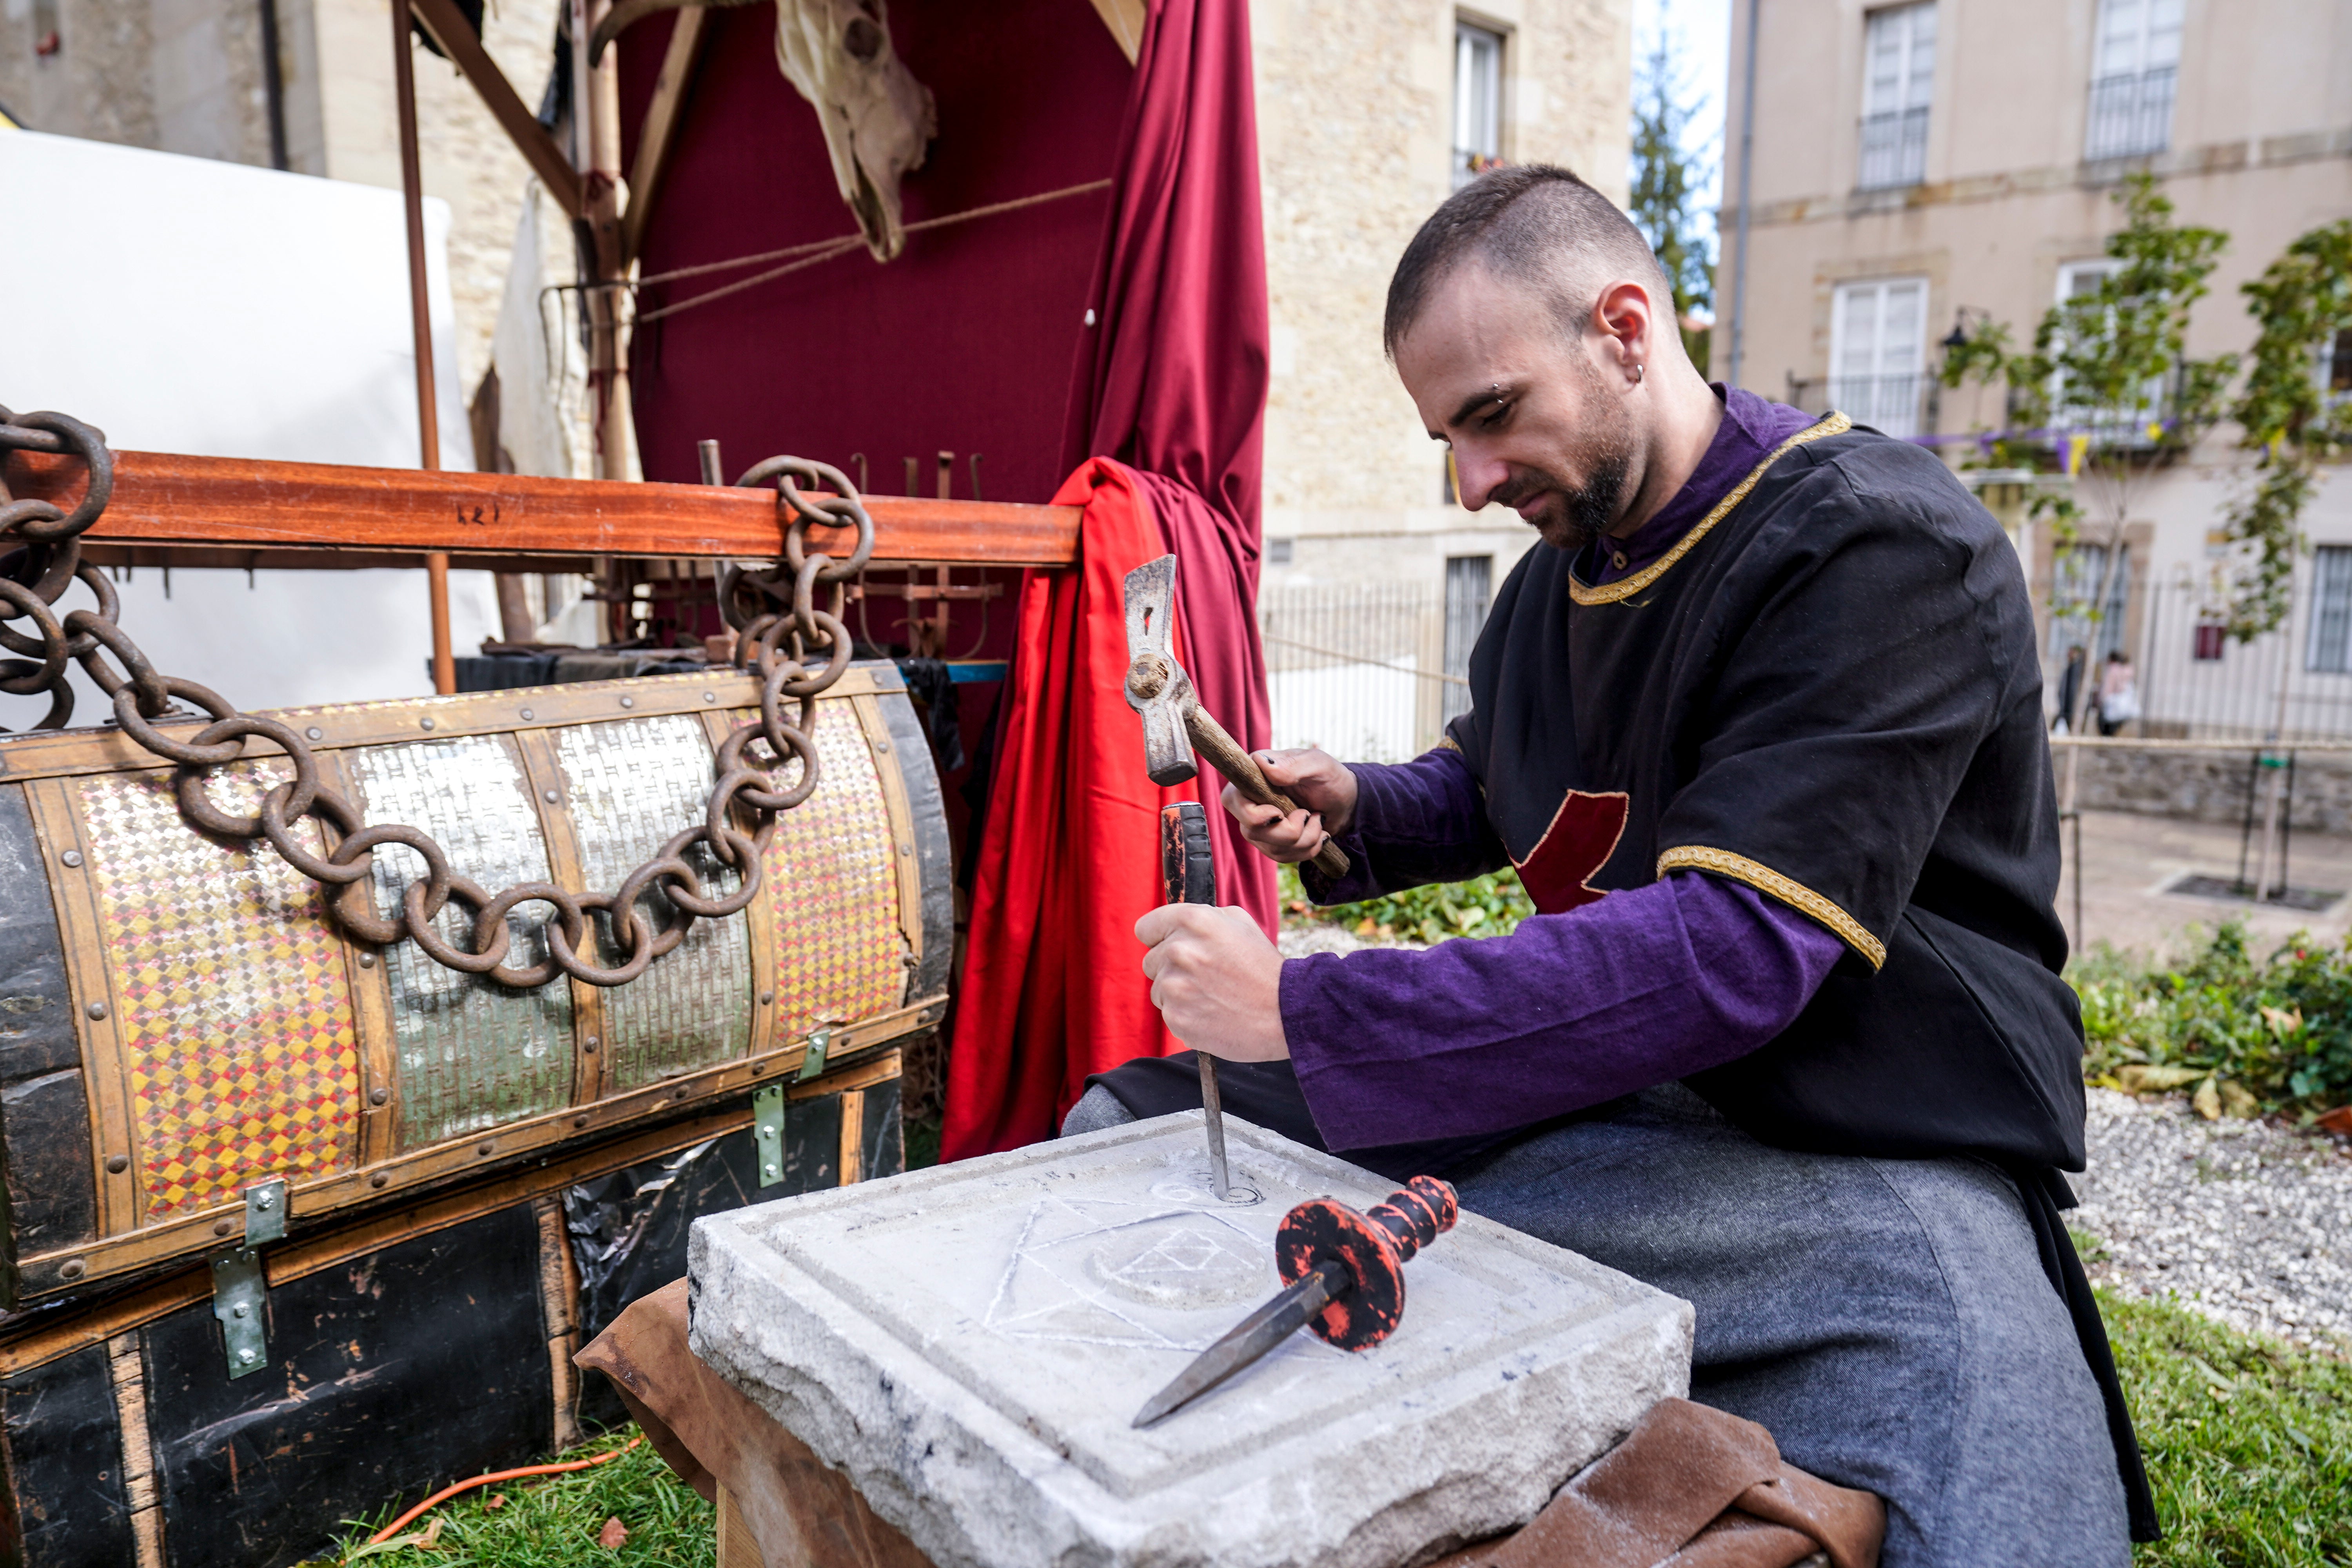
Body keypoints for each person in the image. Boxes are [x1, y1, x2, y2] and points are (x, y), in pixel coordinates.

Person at [1064, 166, 2151, 1565]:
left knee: (1966, 1384)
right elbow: (1517, 786)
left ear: (1625, 330)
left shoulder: (1875, 545)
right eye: (1445, 439)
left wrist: (1308, 1007)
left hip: (1852, 1134)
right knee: (1136, 1125)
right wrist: (1356, 811)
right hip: (1618, 1090)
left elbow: (1733, 952)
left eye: (1491, 415)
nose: (1468, 481)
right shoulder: (1549, 580)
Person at [2096, 650, 2138, 737]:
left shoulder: (2113, 670)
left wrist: (2101, 699)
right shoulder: (2126, 671)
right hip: (2120, 706)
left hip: (2110, 704)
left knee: (2105, 729)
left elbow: (2108, 687)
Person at [2054, 642, 2087, 734]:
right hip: (2069, 707)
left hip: (2071, 708)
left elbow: (2072, 690)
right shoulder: (2073, 667)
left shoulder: (2076, 668)